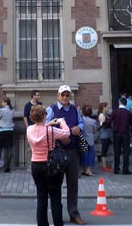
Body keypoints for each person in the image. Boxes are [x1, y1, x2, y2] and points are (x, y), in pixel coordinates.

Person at [45, 85, 86, 225]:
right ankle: (57, 214)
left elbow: (81, 123)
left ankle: (74, 213)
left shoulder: (75, 109)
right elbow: (45, 127)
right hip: (57, 152)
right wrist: (60, 136)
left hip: (73, 151)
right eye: (63, 95)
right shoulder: (51, 109)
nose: (65, 97)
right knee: (56, 184)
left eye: (67, 95)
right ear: (58, 96)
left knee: (73, 183)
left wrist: (78, 128)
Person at [27, 105, 70, 226]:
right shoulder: (50, 131)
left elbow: (39, 129)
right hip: (51, 165)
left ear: (32, 117)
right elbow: (66, 133)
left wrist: (48, 123)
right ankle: (58, 223)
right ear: (44, 116)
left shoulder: (29, 129)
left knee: (41, 197)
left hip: (35, 165)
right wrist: (62, 122)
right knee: (55, 197)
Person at [103, 97, 132, 175]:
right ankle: (125, 169)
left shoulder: (115, 112)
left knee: (117, 152)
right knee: (126, 152)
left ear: (120, 103)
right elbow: (131, 123)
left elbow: (109, 120)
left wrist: (104, 124)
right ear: (126, 104)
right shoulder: (128, 113)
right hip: (126, 134)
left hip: (116, 134)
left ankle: (116, 169)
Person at [0, 97, 14, 173]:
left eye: (3, 102)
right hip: (10, 130)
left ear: (5, 102)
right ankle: (8, 167)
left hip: (3, 130)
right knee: (9, 149)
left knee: (0, 149)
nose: (2, 103)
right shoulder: (12, 110)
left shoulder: (1, 110)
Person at [23, 90, 42, 170]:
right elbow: (25, 117)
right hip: (31, 128)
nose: (39, 96)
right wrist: (27, 127)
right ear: (33, 96)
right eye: (37, 95)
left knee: (40, 146)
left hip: (39, 128)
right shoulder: (27, 105)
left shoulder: (40, 104)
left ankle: (38, 164)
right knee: (29, 148)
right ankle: (29, 165)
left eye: (39, 95)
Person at [80, 105, 97, 176]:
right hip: (90, 139)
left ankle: (83, 169)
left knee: (83, 155)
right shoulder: (93, 121)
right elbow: (95, 130)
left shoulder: (81, 120)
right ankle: (88, 170)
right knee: (90, 155)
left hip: (82, 139)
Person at [97, 102, 113, 172]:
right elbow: (103, 125)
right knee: (104, 150)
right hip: (105, 134)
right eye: (107, 107)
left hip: (107, 134)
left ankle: (106, 165)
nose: (108, 108)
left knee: (106, 150)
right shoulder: (101, 115)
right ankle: (104, 166)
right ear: (104, 107)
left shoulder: (104, 115)